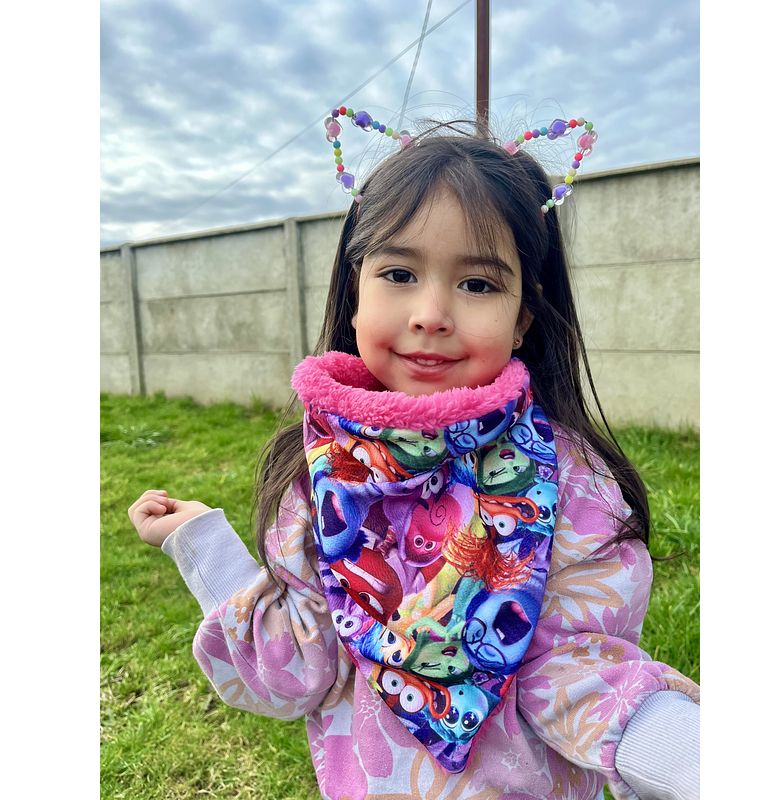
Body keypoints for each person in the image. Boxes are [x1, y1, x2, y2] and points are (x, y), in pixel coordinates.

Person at [129, 115, 699, 800]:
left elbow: (578, 668)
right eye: (399, 273)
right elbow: (296, 670)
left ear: (524, 316)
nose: (431, 312)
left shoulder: (570, 480)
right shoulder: (316, 472)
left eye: (478, 284)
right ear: (355, 292)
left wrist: (676, 752)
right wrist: (206, 549)